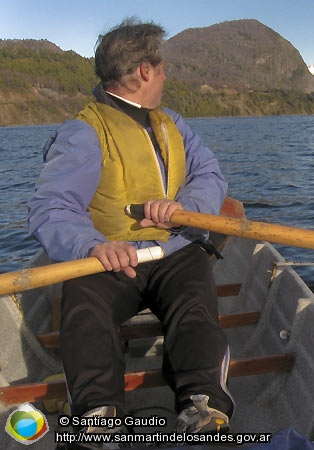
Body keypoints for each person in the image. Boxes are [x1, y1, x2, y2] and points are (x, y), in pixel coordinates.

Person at [27, 18, 234, 443]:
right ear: (145, 71)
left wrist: (184, 208)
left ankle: (201, 403)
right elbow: (51, 208)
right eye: (161, 68)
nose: (164, 76)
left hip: (174, 250)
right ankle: (101, 415)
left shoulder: (172, 123)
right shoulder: (84, 134)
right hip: (110, 258)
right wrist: (91, 245)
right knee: (84, 308)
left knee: (195, 301)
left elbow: (209, 174)